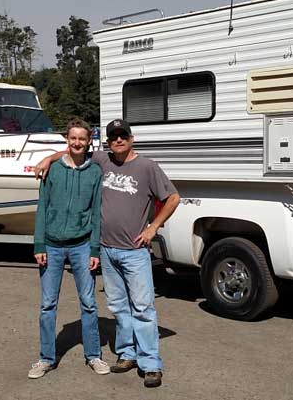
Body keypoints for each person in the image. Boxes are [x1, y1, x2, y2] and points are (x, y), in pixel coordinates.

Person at [35, 118, 180, 388]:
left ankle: (150, 364)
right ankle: (127, 354)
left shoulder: (147, 167)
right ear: (108, 142)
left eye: (123, 136)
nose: (118, 140)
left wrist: (153, 228)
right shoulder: (103, 160)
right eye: (113, 137)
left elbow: (173, 198)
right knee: (118, 306)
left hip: (135, 251)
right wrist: (47, 158)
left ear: (131, 138)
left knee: (143, 308)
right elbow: (74, 150)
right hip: (107, 250)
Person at [28, 119, 110, 379]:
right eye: (73, 138)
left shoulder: (95, 173)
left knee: (88, 303)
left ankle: (94, 355)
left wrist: (95, 250)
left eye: (82, 139)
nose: (77, 143)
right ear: (67, 140)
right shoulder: (52, 170)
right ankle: (46, 358)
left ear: (88, 142)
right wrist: (39, 243)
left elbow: (96, 214)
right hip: (51, 246)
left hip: (82, 246)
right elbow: (42, 208)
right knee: (47, 304)